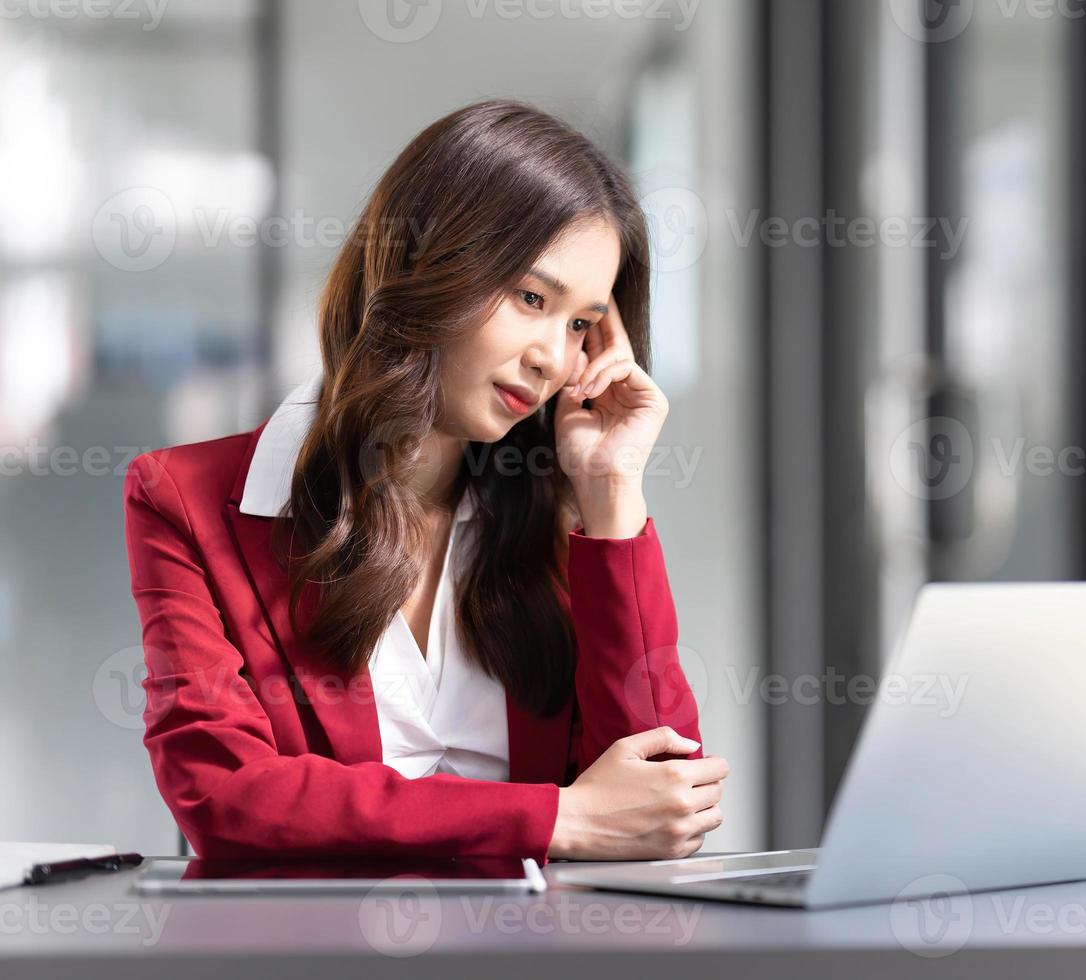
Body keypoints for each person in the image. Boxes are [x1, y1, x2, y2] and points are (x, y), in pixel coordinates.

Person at [122, 100, 725, 862]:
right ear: (424, 267)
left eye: (580, 326)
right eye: (531, 299)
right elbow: (226, 795)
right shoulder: (185, 498)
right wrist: (554, 821)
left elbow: (663, 790)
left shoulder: (563, 512)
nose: (550, 357)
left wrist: (611, 490)